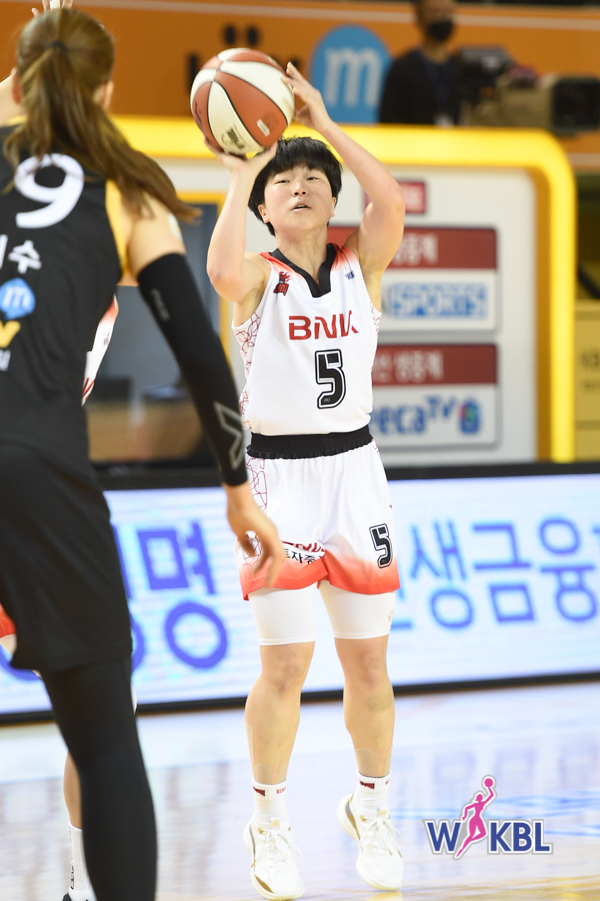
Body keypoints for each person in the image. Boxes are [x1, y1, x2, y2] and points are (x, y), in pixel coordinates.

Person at [0, 8, 284, 901]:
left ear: (18, 82)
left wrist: (34, 62)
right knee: (105, 734)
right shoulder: (127, 192)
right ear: (110, 90)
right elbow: (199, 350)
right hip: (35, 462)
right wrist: (237, 486)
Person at [207, 63, 406, 900]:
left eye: (313, 179)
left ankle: (372, 806)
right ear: (265, 205)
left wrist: (322, 123)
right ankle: (269, 819)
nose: (299, 187)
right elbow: (220, 272)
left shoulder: (363, 262)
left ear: (331, 199)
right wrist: (244, 167)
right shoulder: (258, 273)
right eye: (283, 181)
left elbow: (390, 199)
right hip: (279, 482)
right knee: (284, 665)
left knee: (370, 666)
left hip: (356, 475)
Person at [379, 0, 461, 126]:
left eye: (447, 12)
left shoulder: (462, 67)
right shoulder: (403, 68)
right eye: (435, 12)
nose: (442, 18)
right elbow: (388, 120)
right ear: (419, 18)